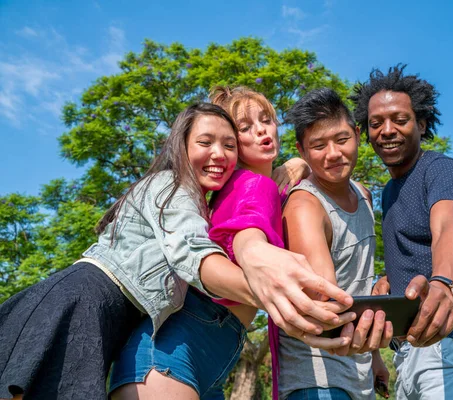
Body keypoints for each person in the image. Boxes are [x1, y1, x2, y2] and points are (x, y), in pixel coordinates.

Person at [0, 102, 352, 400]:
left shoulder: (208, 200)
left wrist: (292, 166)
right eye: (205, 142)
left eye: (229, 145)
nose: (219, 154)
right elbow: (193, 255)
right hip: (86, 300)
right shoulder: (171, 186)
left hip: (121, 319)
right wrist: (278, 297)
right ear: (181, 145)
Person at [109, 87, 356, 400]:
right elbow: (245, 231)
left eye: (267, 120)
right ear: (232, 142)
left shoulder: (265, 188)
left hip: (204, 355)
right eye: (244, 128)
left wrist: (299, 163)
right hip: (172, 354)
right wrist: (267, 271)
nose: (262, 130)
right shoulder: (252, 185)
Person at [350, 64, 453, 399]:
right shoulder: (390, 192)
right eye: (376, 123)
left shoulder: (442, 170)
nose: (386, 130)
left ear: (421, 123)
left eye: (399, 120)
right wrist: (389, 280)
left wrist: (445, 284)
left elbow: (450, 229)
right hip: (409, 354)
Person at [278, 88, 393, 400]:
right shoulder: (305, 205)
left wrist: (375, 358)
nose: (333, 153)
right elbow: (325, 301)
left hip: (358, 374)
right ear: (301, 151)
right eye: (318, 145)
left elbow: (359, 281)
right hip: (314, 379)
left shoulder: (364, 195)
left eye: (341, 139)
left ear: (357, 134)